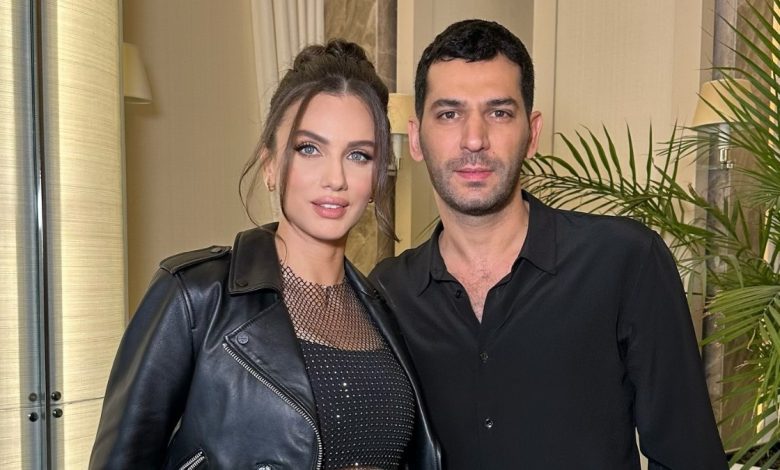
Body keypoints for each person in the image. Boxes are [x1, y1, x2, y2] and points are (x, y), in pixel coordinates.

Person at [369, 19, 727, 469]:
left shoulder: (626, 262)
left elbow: (688, 457)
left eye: (499, 112)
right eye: (449, 114)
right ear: (417, 138)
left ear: (532, 134)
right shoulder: (388, 293)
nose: (474, 139)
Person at [90, 39, 440, 470]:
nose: (335, 178)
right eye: (308, 148)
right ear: (270, 164)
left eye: (358, 155)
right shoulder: (196, 297)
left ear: (376, 177)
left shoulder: (384, 312)